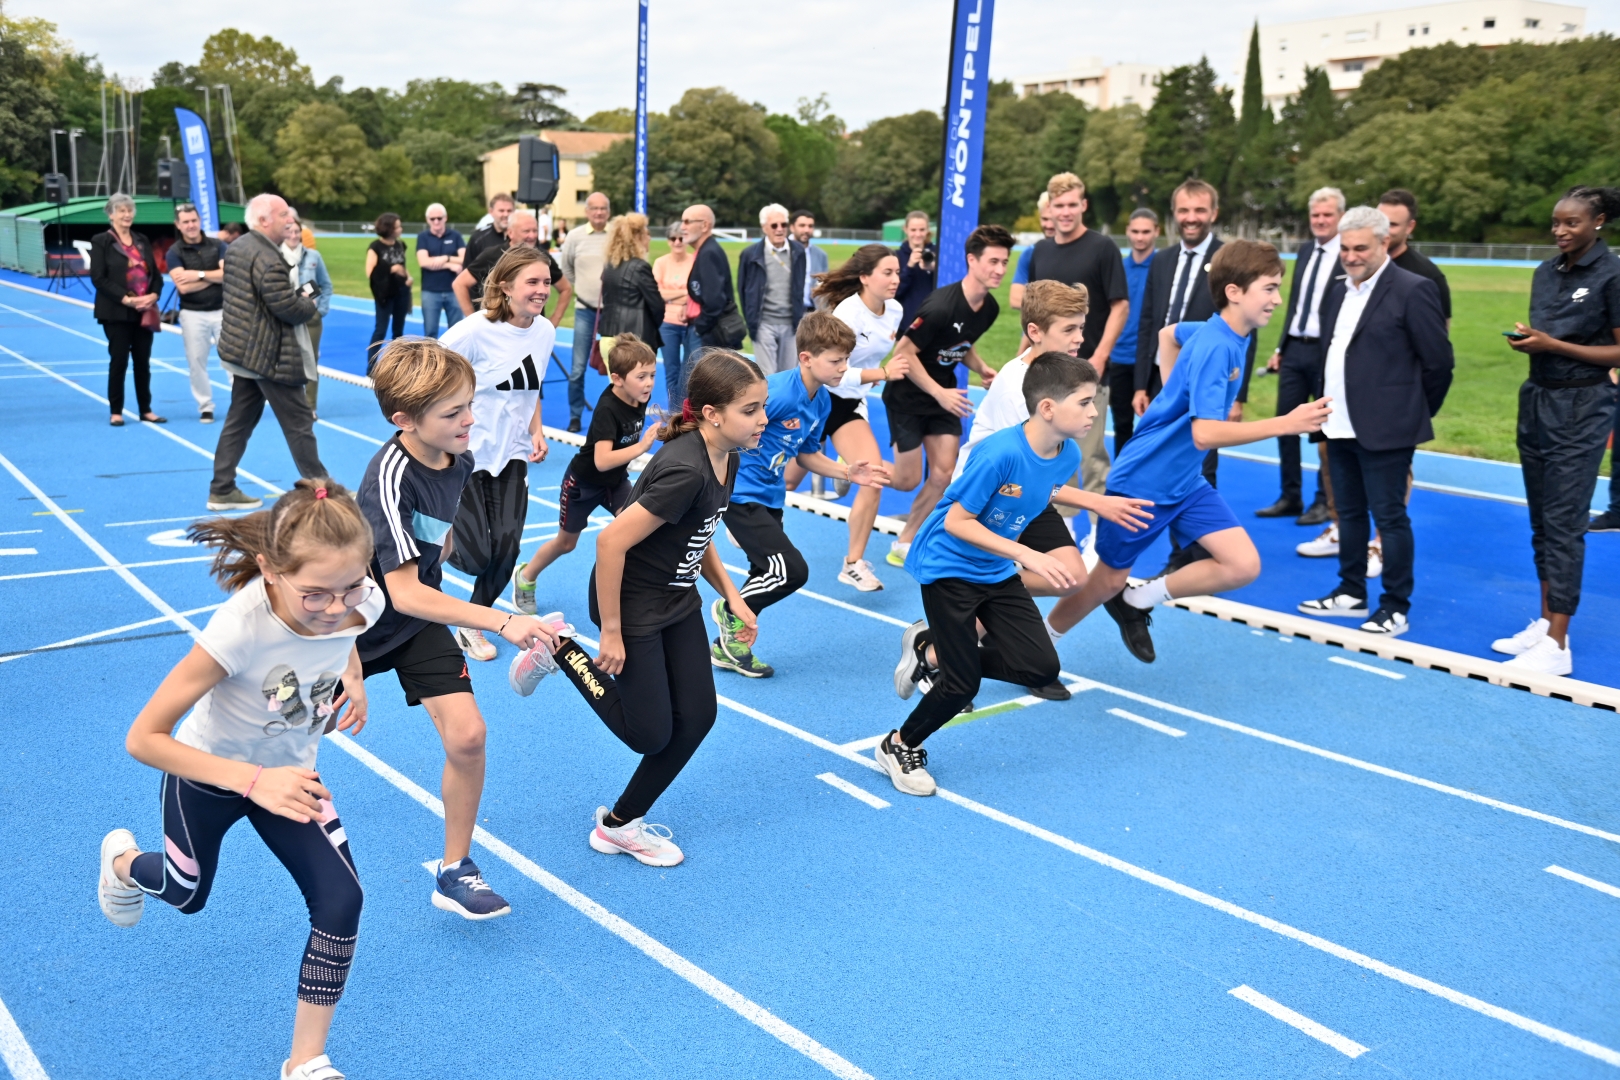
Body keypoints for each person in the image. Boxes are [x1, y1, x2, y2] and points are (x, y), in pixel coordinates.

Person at [96, 478, 380, 1080]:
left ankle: (305, 1061)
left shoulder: (359, 598)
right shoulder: (238, 630)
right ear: (269, 570)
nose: (336, 607)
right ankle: (121, 862)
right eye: (315, 595)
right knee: (185, 893)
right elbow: (143, 738)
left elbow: (349, 632)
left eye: (349, 587)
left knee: (342, 899)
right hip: (210, 777)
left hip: (290, 777)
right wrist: (252, 781)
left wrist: (352, 674)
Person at [530, 350, 767, 866]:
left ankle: (618, 824)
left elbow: (698, 534)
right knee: (648, 733)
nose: (762, 419)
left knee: (699, 716)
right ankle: (560, 648)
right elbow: (610, 543)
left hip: (676, 599)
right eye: (751, 409)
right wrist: (610, 633)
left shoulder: (725, 454)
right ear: (712, 413)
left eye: (762, 407)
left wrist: (732, 595)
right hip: (632, 604)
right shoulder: (687, 469)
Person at [1045, 241, 1331, 664]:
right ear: (1235, 292)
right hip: (1144, 483)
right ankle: (1039, 641)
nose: (1277, 299)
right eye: (1269, 289)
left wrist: (1174, 391)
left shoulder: (1226, 334)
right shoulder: (1219, 346)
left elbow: (1168, 335)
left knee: (1242, 565)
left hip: (1185, 482)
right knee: (1104, 582)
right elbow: (1205, 434)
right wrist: (1287, 422)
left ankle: (1139, 600)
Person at [357, 339, 559, 919]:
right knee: (278, 747)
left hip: (413, 625)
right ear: (405, 420)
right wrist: (502, 621)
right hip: (350, 627)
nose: (471, 420)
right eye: (453, 413)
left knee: (468, 736)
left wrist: (442, 552)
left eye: (470, 404)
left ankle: (455, 870)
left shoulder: (461, 456)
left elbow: (434, 544)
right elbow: (403, 590)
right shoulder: (389, 476)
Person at [877, 353, 1094, 796]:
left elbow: (1034, 499)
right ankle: (899, 745)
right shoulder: (999, 453)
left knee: (1039, 665)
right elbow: (958, 521)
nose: (1094, 413)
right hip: (950, 566)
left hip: (994, 569)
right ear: (1048, 407)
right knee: (961, 686)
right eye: (1085, 402)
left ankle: (929, 649)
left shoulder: (1066, 453)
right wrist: (1028, 555)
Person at [952, 280, 1156, 699]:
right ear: (1035, 332)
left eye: (1082, 327)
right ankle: (941, 650)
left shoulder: (1060, 377)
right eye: (1069, 329)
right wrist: (1099, 501)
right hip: (987, 497)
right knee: (1000, 575)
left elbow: (1045, 475)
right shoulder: (1018, 385)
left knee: (1070, 577)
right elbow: (1024, 476)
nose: (1080, 338)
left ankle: (983, 620)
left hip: (1030, 492)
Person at [1295, 207, 1453, 636]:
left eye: (1360, 247)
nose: (1350, 256)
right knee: (1347, 513)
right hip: (1337, 423)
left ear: (1385, 244)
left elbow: (1439, 364)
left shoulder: (1413, 289)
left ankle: (1395, 606)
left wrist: (1410, 414)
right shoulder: (1336, 291)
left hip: (1388, 430)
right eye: (1345, 248)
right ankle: (1350, 592)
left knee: (1389, 518)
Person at [712, 311, 891, 677]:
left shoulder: (822, 402)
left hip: (771, 496)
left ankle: (728, 649)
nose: (844, 368)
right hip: (741, 493)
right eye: (836, 360)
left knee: (763, 573)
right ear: (807, 358)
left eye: (846, 360)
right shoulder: (775, 393)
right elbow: (726, 428)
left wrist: (846, 471)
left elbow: (807, 454)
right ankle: (730, 610)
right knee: (791, 571)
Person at [1492, 186, 1620, 675]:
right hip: (1537, 398)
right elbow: (1547, 335)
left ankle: (1560, 645)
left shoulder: (1612, 274)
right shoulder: (1546, 272)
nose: (1561, 231)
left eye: (1572, 223)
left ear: (1599, 222)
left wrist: (1555, 346)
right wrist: (1533, 343)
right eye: (1556, 223)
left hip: (1582, 405)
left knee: (1566, 524)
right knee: (1542, 522)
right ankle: (1546, 625)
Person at [437, 247, 555, 660]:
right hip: (465, 459)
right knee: (476, 557)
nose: (543, 290)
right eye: (532, 282)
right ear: (505, 287)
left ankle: (473, 624)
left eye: (546, 282)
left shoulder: (545, 332)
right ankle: (431, 542)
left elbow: (531, 385)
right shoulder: (471, 332)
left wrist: (536, 429)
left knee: (506, 551)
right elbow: (428, 373)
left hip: (512, 456)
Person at [883, 224, 1011, 569]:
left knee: (943, 474)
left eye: (1004, 262)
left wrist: (981, 366)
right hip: (909, 395)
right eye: (993, 261)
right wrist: (940, 393)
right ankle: (850, 467)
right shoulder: (940, 305)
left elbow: (959, 345)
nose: (1000, 269)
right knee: (906, 479)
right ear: (972, 260)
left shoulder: (990, 308)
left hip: (943, 397)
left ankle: (905, 540)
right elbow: (903, 354)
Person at [511, 336, 660, 612]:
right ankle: (526, 576)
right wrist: (642, 447)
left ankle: (634, 594)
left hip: (615, 483)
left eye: (652, 374)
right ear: (617, 379)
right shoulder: (607, 409)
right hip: (583, 483)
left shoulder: (638, 396)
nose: (649, 382)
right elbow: (602, 461)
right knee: (566, 543)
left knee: (636, 532)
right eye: (641, 376)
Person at [1132, 180, 1256, 506]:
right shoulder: (1161, 259)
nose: (1191, 217)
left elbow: (1245, 327)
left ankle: (1193, 551)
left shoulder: (1231, 260)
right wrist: (1141, 384)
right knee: (1163, 464)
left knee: (1201, 467)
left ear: (1213, 213)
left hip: (1207, 379)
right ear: (1174, 214)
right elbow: (1149, 322)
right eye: (1184, 210)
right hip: (1164, 380)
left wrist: (1239, 397)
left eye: (1199, 210)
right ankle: (1176, 551)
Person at [800, 243, 911, 591]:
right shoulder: (848, 313)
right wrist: (882, 374)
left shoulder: (895, 310)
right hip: (821, 397)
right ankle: (747, 514)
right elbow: (831, 372)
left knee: (873, 475)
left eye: (897, 272)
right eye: (887, 272)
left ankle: (853, 564)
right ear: (865, 277)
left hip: (849, 405)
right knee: (785, 475)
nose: (895, 279)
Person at [210, 194, 324, 512]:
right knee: (299, 420)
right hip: (268, 354)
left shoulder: (239, 247)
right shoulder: (268, 257)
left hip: (243, 350)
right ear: (264, 220)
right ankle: (323, 489)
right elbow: (287, 307)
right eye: (283, 214)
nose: (290, 219)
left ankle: (221, 488)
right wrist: (306, 303)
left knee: (240, 419)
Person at [1026, 173, 1130, 497]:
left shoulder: (1103, 247)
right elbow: (1034, 318)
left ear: (1083, 205)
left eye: (1073, 204)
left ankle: (1099, 541)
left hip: (1087, 373)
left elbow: (1121, 305)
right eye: (1059, 205)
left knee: (1091, 457)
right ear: (1050, 209)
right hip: (1045, 374)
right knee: (1049, 458)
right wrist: (1022, 359)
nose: (1066, 211)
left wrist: (1099, 358)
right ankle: (1063, 533)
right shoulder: (1040, 251)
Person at [1260, 187, 1345, 526]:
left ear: (1339, 217)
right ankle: (1290, 495)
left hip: (1326, 351)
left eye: (1327, 215)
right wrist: (1281, 347)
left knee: (1325, 430)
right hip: (1295, 348)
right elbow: (1295, 303)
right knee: (1285, 424)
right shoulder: (1306, 250)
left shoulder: (1346, 255)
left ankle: (1324, 501)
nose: (1321, 221)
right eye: (1316, 215)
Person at [90, 193, 165, 427]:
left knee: (143, 362)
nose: (127, 214)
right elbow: (98, 278)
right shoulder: (102, 241)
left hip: (144, 310)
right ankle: (116, 411)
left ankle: (146, 409)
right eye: (121, 210)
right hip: (116, 311)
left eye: (130, 210)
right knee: (119, 360)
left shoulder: (141, 239)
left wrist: (153, 295)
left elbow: (155, 275)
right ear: (111, 214)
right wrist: (126, 300)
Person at [453, 211, 569, 327]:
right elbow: (460, 283)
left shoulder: (542, 257)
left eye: (535, 231)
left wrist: (553, 322)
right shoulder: (492, 255)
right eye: (526, 231)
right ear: (510, 232)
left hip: (530, 333)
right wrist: (472, 321)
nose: (532, 236)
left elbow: (566, 289)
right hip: (495, 332)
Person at [558, 192, 613, 432]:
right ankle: (575, 415)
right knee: (578, 367)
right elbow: (566, 269)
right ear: (587, 211)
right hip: (584, 310)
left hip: (613, 313)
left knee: (616, 367)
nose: (599, 212)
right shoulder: (575, 236)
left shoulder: (617, 235)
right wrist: (582, 285)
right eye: (595, 208)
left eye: (603, 208)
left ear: (608, 211)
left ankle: (614, 418)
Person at [168, 202, 227, 423]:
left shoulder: (218, 245)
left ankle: (243, 404)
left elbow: (227, 275)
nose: (191, 225)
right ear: (178, 225)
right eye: (186, 222)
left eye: (194, 220)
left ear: (199, 221)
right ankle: (205, 406)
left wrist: (198, 275)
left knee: (233, 360)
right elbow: (183, 287)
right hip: (193, 314)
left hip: (223, 310)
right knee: (196, 362)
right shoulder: (174, 253)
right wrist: (214, 277)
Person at [736, 203, 808, 374]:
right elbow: (742, 290)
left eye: (783, 225)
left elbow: (799, 285)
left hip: (791, 324)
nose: (779, 229)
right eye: (774, 225)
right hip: (763, 324)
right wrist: (752, 321)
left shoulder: (798, 251)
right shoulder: (750, 254)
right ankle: (768, 403)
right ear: (764, 228)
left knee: (788, 374)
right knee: (767, 376)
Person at [1113, 208, 1159, 451]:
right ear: (1127, 232)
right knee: (1122, 424)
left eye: (1146, 232)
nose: (1140, 237)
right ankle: (1122, 480)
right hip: (1120, 357)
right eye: (1135, 231)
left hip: (1153, 360)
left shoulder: (1163, 267)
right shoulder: (1118, 268)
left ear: (1156, 232)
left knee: (1153, 425)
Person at [282, 209, 333, 416]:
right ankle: (290, 403)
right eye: (289, 232)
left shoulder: (313, 256)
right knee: (287, 362)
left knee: (310, 362)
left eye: (297, 232)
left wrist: (320, 310)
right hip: (285, 317)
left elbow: (325, 285)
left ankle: (310, 405)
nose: (293, 236)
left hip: (311, 317)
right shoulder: (275, 255)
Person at [1378, 189, 1451, 327]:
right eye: (1379, 222)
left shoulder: (1428, 276)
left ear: (1410, 227)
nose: (1383, 230)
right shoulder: (1357, 266)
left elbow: (1437, 340)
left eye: (1392, 224)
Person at [597, 212, 666, 352]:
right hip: (634, 340)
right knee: (642, 374)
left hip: (608, 336)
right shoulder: (640, 267)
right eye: (647, 234)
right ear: (637, 237)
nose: (649, 238)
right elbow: (657, 306)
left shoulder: (609, 266)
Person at [683, 203, 744, 349]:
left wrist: (699, 327)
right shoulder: (705, 251)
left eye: (687, 222)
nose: (682, 227)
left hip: (709, 335)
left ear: (704, 226)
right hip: (704, 331)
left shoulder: (709, 253)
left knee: (700, 372)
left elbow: (714, 301)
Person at [653, 220, 699, 406]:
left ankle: (686, 410)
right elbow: (656, 294)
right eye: (673, 238)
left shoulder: (695, 260)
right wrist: (685, 293)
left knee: (690, 370)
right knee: (671, 370)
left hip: (691, 322)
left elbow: (697, 292)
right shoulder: (661, 263)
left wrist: (670, 296)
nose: (678, 242)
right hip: (668, 323)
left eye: (681, 238)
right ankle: (674, 413)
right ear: (668, 241)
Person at [364, 213, 412, 371]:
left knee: (398, 331)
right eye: (397, 226)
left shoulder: (400, 245)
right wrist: (392, 269)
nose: (400, 229)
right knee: (380, 330)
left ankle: (396, 367)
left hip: (401, 291)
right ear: (389, 228)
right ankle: (371, 366)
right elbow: (370, 272)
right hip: (384, 293)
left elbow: (403, 265)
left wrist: (408, 276)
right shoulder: (375, 247)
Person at [416, 203, 467, 338]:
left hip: (454, 290)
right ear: (428, 220)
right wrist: (449, 265)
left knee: (456, 332)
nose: (436, 221)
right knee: (430, 331)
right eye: (433, 219)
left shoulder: (455, 236)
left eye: (439, 218)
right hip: (430, 290)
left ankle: (454, 359)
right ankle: (431, 359)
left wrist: (445, 257)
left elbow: (465, 259)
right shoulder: (423, 237)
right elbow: (424, 262)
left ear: (445, 218)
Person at [1007, 192, 1053, 313]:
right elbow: (1015, 299)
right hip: (1035, 330)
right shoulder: (1031, 252)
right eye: (1045, 219)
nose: (1048, 225)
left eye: (1053, 219)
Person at [894, 210, 938, 329]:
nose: (918, 234)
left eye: (922, 230)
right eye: (913, 230)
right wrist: (909, 266)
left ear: (928, 229)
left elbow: (950, 286)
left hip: (934, 319)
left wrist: (936, 269)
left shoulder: (938, 253)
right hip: (906, 322)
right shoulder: (896, 256)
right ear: (905, 229)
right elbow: (894, 292)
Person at [791, 209, 829, 316]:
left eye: (810, 226)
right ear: (792, 227)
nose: (807, 230)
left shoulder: (821, 255)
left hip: (812, 313)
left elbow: (824, 287)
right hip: (788, 314)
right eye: (802, 225)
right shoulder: (783, 251)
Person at [466, 193, 515, 265]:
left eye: (509, 211)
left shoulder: (523, 237)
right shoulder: (478, 238)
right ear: (491, 212)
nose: (506, 215)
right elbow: (467, 269)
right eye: (501, 211)